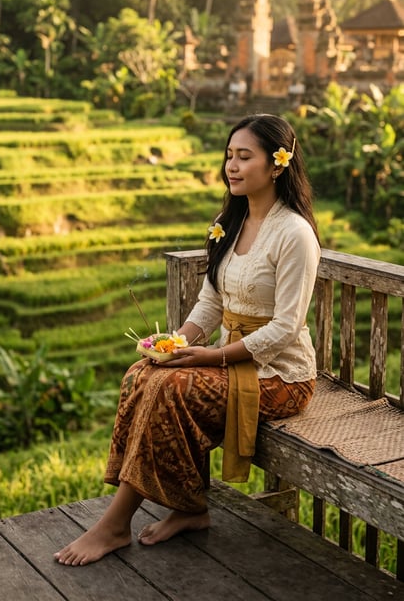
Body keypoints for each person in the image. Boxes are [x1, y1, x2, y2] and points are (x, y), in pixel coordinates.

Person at [54, 113, 321, 567]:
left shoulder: (294, 234)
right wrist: (175, 344)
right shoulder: (228, 223)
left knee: (172, 388)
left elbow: (286, 328)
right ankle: (190, 508)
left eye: (244, 157)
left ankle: (116, 524)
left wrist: (214, 356)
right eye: (229, 156)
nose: (231, 167)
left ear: (276, 165)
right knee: (144, 373)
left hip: (279, 376)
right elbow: (210, 305)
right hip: (231, 360)